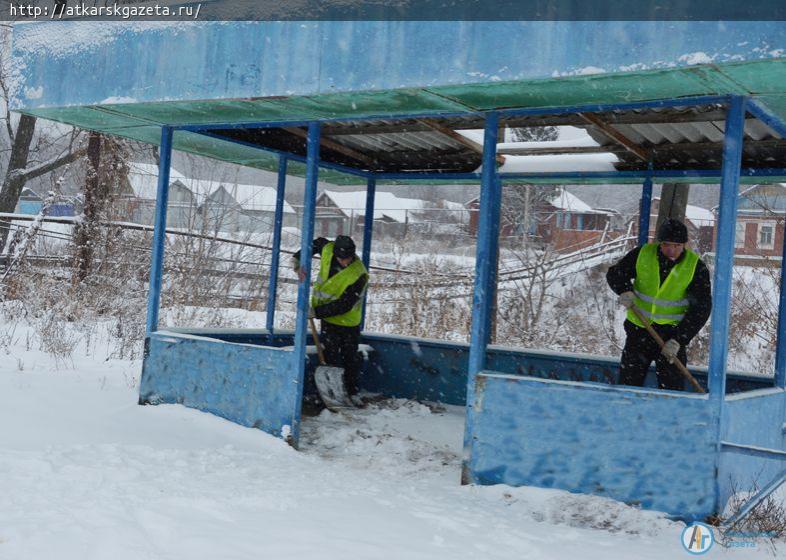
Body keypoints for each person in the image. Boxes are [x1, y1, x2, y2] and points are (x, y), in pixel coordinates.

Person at [606, 218, 712, 390]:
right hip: (638, 332)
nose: (671, 250)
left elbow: (701, 308)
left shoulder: (695, 268)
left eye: (677, 246)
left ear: (684, 245)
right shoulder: (642, 254)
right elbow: (615, 273)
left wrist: (679, 340)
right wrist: (624, 290)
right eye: (667, 245)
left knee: (672, 390)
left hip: (671, 338)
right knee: (628, 385)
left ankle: (670, 416)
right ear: (659, 243)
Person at [292, 235, 369, 398]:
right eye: (342, 259)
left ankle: (351, 393)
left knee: (350, 358)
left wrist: (316, 312)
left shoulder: (359, 274)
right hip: (328, 321)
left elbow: (345, 304)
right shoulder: (328, 250)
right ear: (335, 254)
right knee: (330, 355)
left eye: (348, 259)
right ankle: (331, 395)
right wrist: (298, 258)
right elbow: (317, 243)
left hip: (349, 323)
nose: (345, 262)